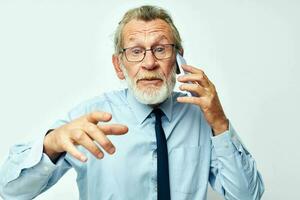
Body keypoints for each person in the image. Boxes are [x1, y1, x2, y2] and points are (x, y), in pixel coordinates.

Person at [0, 5, 264, 200]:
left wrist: (219, 121)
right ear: (119, 65)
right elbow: (9, 191)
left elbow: (248, 196)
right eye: (136, 51)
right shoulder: (90, 118)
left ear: (179, 60)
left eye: (160, 49)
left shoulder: (202, 118)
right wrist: (51, 144)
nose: (149, 63)